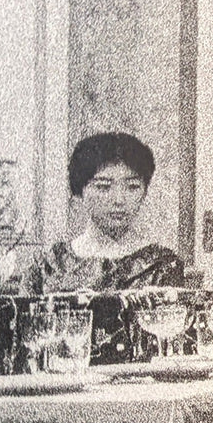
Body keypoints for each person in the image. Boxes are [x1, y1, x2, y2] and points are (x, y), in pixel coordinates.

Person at [24, 132, 183, 361]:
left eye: (132, 186)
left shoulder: (162, 265)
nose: (118, 199)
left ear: (145, 191)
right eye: (103, 187)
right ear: (79, 191)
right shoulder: (49, 265)